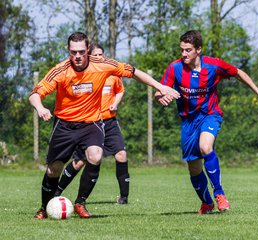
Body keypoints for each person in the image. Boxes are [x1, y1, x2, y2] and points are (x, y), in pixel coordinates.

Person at [30, 32, 179, 219]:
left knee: (95, 155)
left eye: (81, 52)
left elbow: (133, 71)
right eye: (73, 52)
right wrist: (40, 107)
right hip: (64, 125)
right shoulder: (60, 71)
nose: (77, 56)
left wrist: (160, 86)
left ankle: (80, 202)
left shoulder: (102, 65)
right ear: (68, 50)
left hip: (91, 123)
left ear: (88, 50)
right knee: (54, 170)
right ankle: (44, 207)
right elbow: (35, 93)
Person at [155, 30, 258, 214]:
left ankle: (219, 193)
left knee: (205, 147)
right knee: (194, 168)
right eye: (182, 50)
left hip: (210, 114)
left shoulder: (213, 65)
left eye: (188, 50)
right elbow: (159, 90)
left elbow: (238, 72)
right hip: (188, 121)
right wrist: (160, 97)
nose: (184, 54)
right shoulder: (174, 68)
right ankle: (207, 202)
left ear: (199, 49)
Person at [54, 43, 130, 205]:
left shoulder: (111, 74)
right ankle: (57, 191)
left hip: (108, 121)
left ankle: (123, 198)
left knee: (121, 155)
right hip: (90, 122)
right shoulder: (86, 74)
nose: (99, 58)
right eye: (95, 55)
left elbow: (120, 90)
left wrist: (115, 103)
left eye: (101, 55)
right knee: (79, 162)